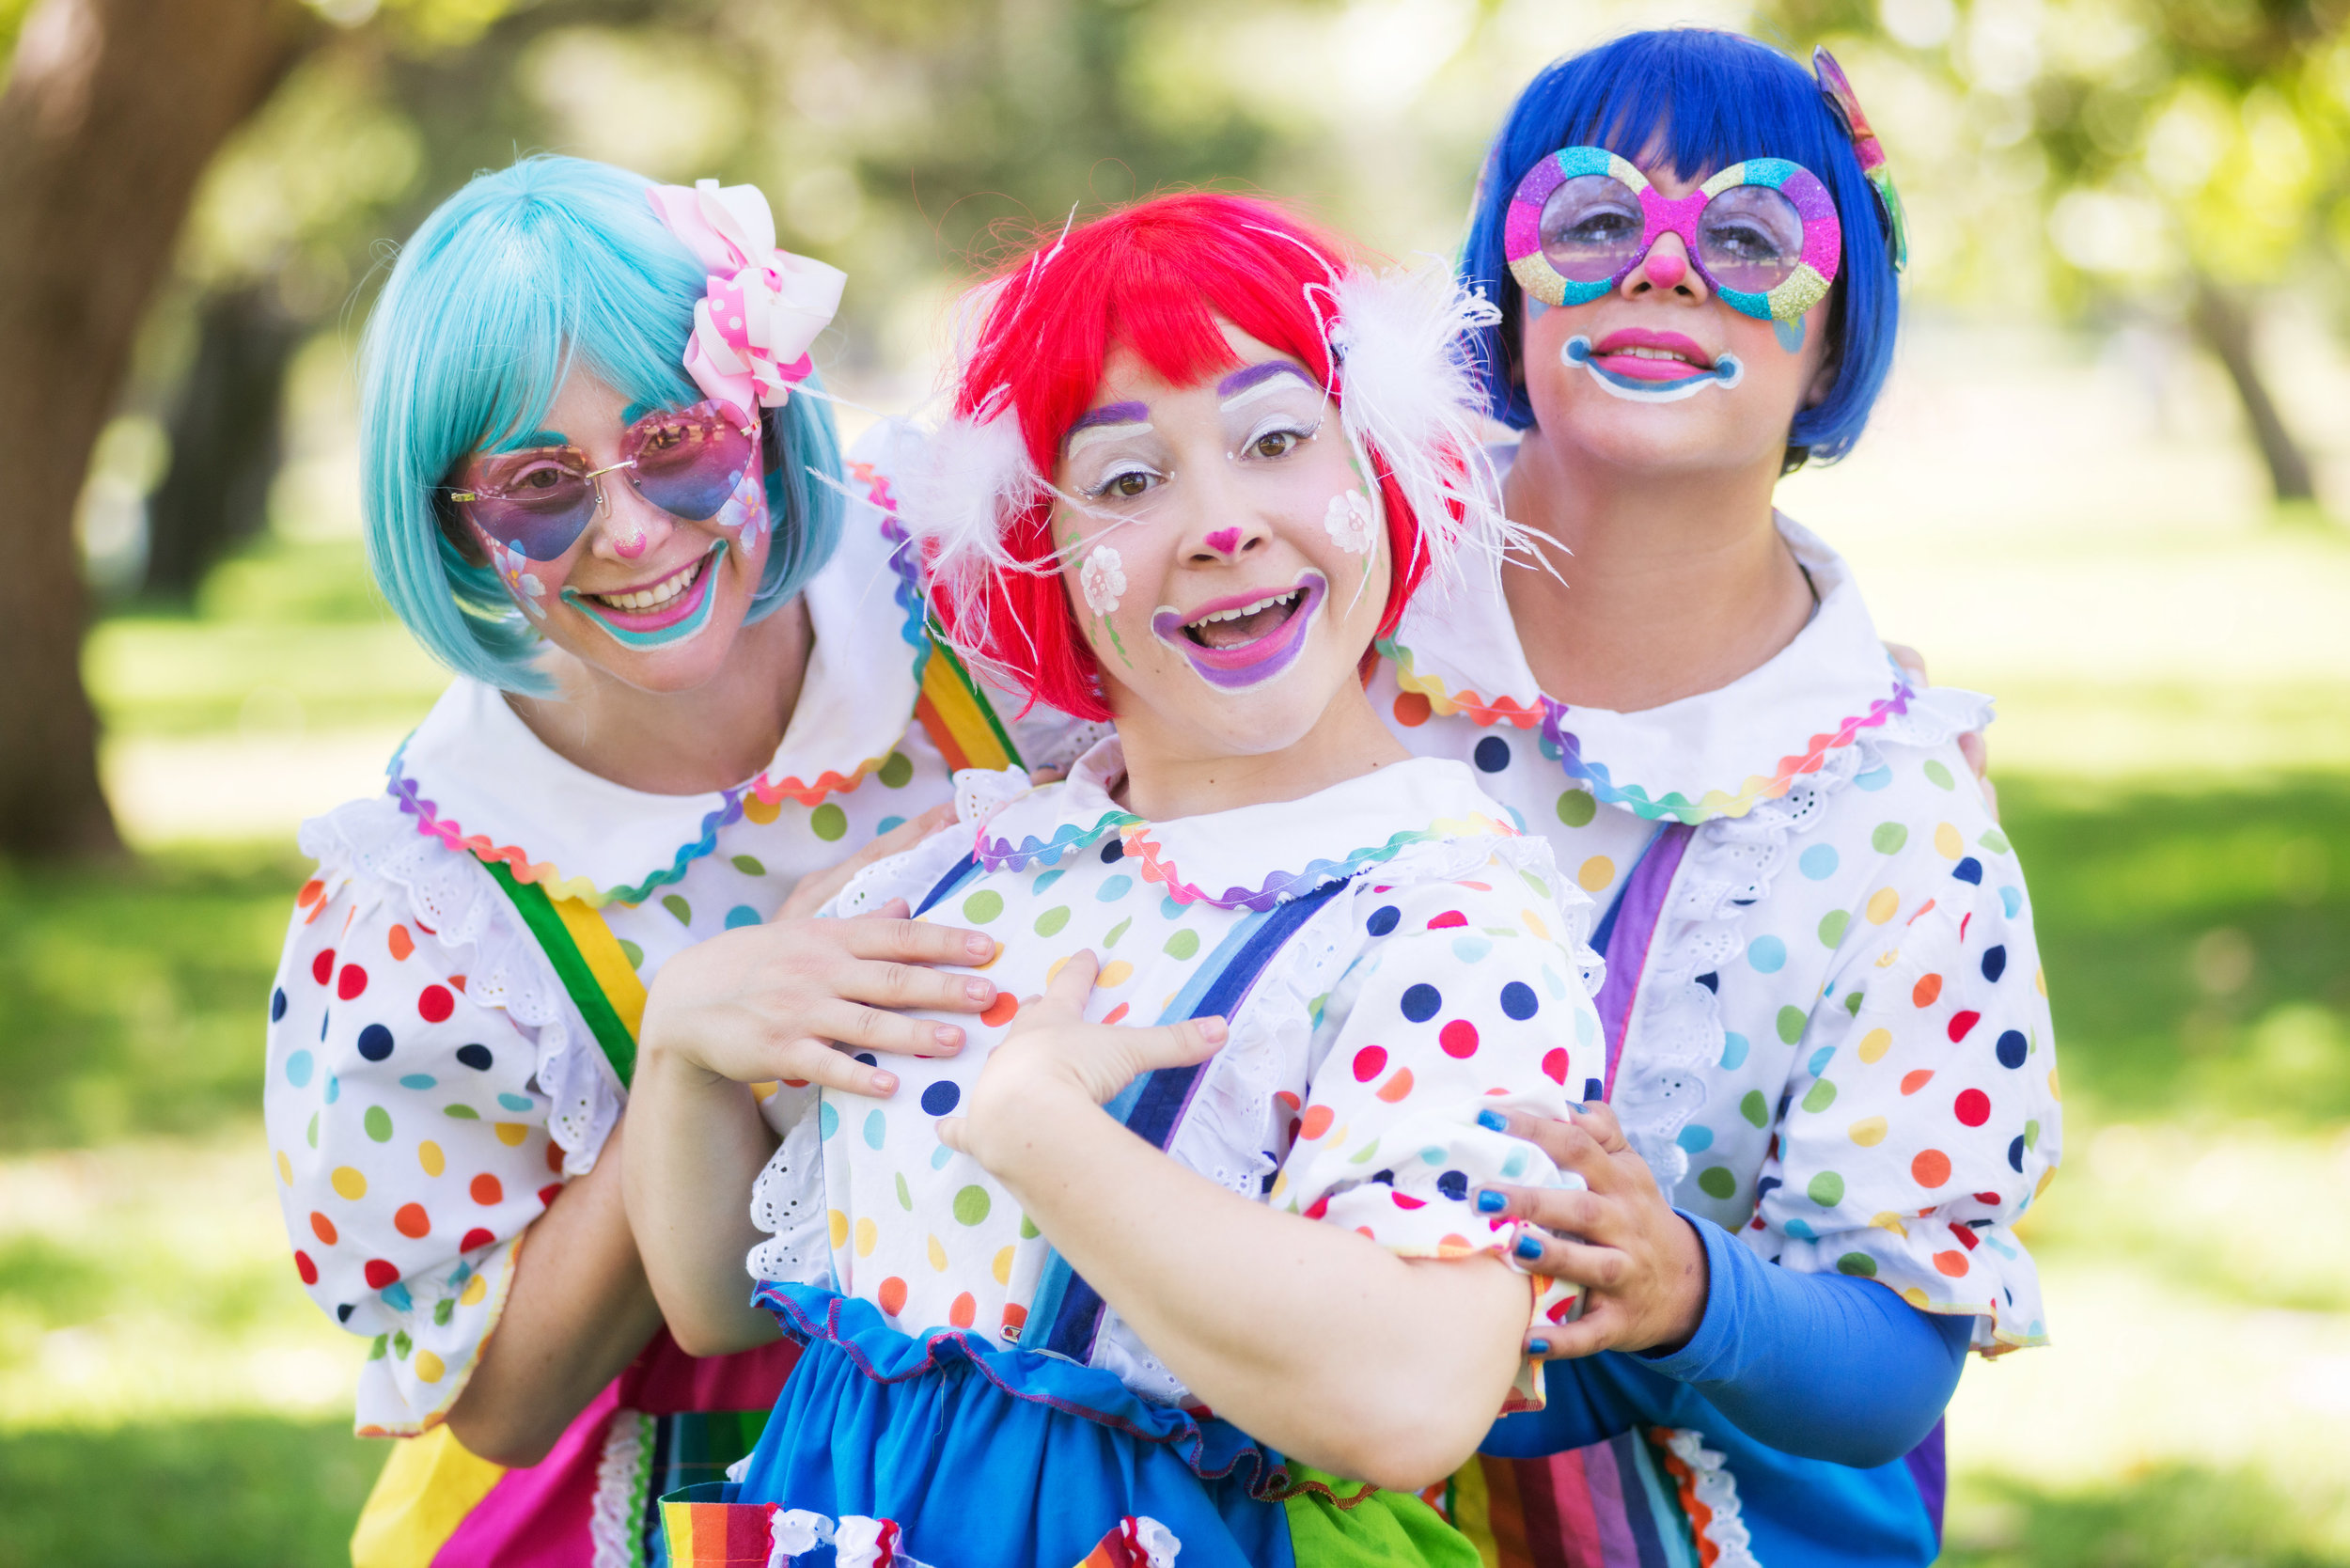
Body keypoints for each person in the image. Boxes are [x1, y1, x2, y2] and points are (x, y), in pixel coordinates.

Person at [624, 193, 1612, 1566]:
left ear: (1375, 463)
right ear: (1048, 553)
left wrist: (1045, 1135)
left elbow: (1410, 1399)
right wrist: (682, 1042)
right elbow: (724, 1303)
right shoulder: (965, 871)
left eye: (1274, 441)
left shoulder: (1447, 916)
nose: (1219, 525)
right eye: (1129, 481)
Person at [261, 155, 1081, 1567]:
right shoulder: (426, 902)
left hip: (1089, 1377)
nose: (631, 530)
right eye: (538, 483)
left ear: (764, 415)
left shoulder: (973, 584)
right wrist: (692, 1057)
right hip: (704, 1485)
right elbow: (503, 1409)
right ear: (452, 517)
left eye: (677, 440)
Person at [1358, 32, 2061, 1566]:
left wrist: (1688, 1284)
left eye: (1750, 238)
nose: (1663, 271)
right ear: (1510, 286)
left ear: (1831, 343)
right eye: (1596, 220)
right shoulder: (1330, 627)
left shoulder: (1900, 822)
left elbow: (1895, 1364)